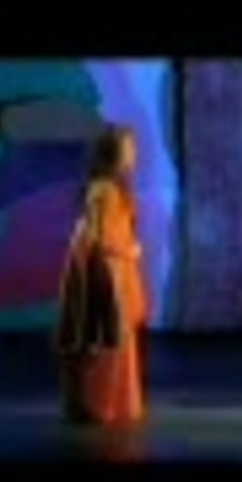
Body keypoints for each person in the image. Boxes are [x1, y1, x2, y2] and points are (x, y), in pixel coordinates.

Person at [55, 125, 149, 425]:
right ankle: (101, 404)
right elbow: (101, 237)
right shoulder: (103, 190)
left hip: (110, 268)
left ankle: (106, 403)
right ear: (114, 155)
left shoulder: (111, 187)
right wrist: (130, 249)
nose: (134, 154)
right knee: (105, 337)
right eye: (129, 148)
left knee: (111, 339)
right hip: (105, 271)